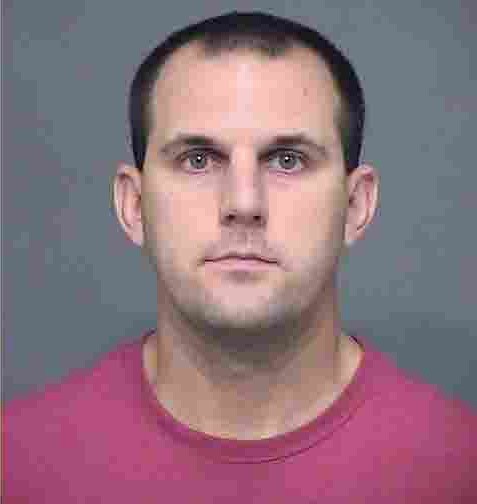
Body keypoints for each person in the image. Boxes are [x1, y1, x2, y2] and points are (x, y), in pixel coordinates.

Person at [3, 11, 476, 503]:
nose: (243, 203)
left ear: (355, 205)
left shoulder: (460, 468)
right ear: (134, 205)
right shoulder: (19, 466)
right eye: (198, 160)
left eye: (287, 160)